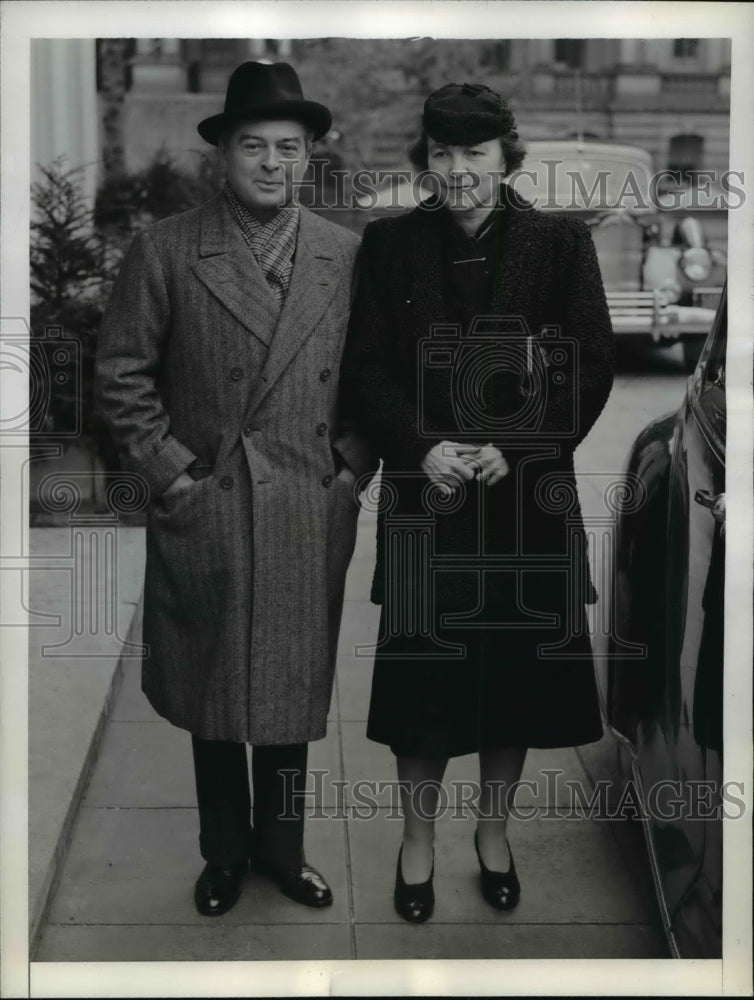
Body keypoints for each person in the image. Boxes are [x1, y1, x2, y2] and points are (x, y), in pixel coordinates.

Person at [95, 61, 375, 917]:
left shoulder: (346, 252)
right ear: (224, 154)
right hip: (210, 499)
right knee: (212, 689)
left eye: (288, 149)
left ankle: (283, 853)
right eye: (253, 146)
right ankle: (224, 854)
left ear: (309, 157)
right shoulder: (168, 248)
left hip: (304, 501)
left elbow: (372, 378)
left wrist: (351, 468)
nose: (271, 164)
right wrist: (171, 473)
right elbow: (120, 373)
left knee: (290, 691)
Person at [339, 81, 615, 922]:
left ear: (506, 157)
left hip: (528, 501)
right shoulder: (389, 245)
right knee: (424, 687)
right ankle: (417, 844)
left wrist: (522, 443)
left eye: (476, 153)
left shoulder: (559, 244)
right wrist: (422, 447)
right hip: (429, 505)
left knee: (515, 686)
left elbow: (590, 363)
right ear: (425, 160)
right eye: (442, 153)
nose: (457, 170)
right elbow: (364, 369)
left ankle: (493, 835)